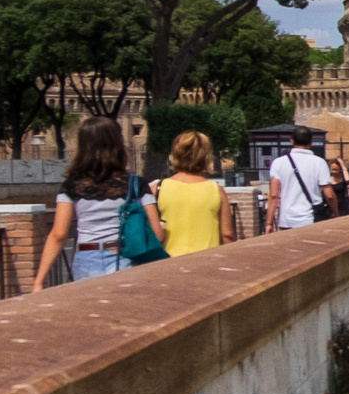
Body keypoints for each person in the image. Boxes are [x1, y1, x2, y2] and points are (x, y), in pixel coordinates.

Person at [38, 115, 134, 284]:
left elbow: (59, 235)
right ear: (117, 145)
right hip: (125, 255)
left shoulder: (71, 186)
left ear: (83, 147)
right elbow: (156, 232)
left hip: (87, 258)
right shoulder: (136, 184)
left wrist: (39, 281)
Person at [145, 130, 231, 257]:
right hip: (207, 263)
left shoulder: (156, 188)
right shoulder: (216, 190)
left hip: (167, 263)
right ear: (206, 157)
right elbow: (227, 234)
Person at [265, 129, 333, 231]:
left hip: (287, 220)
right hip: (311, 219)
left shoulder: (278, 163)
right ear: (311, 142)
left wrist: (269, 223)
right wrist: (335, 213)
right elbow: (329, 195)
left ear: (291, 141)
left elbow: (274, 195)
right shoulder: (319, 162)